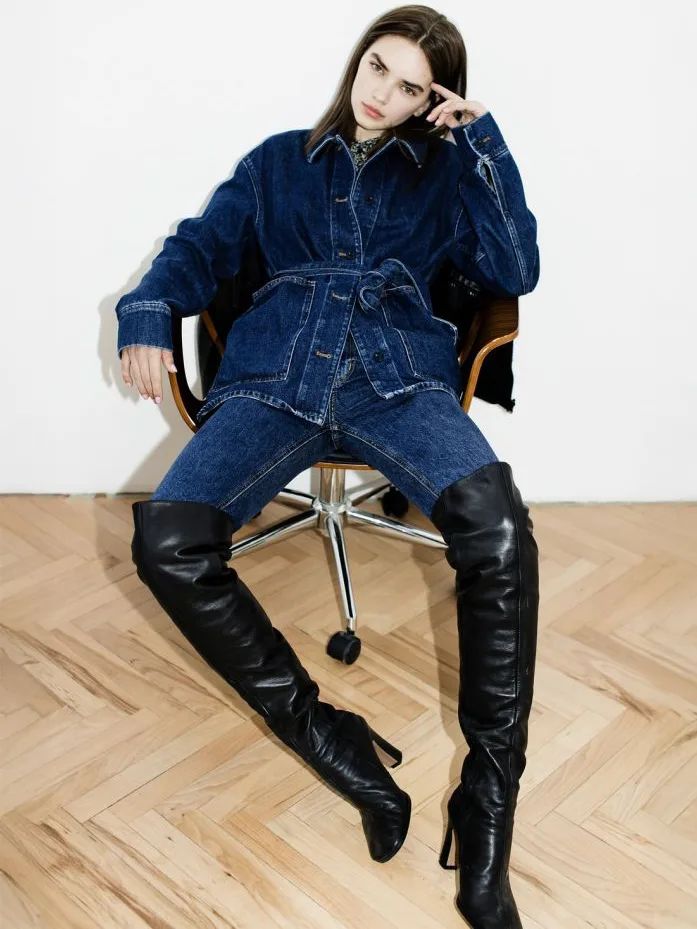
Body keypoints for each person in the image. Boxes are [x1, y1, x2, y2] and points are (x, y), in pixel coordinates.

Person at [116, 7, 540, 928]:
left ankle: (487, 799)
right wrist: (147, 309)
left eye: (410, 87)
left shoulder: (445, 175)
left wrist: (483, 146)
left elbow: (515, 268)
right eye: (377, 67)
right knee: (168, 541)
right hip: (275, 377)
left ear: (434, 101)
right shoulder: (278, 161)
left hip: (398, 380)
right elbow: (199, 247)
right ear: (359, 60)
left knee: (500, 530)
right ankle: (329, 738)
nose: (382, 93)